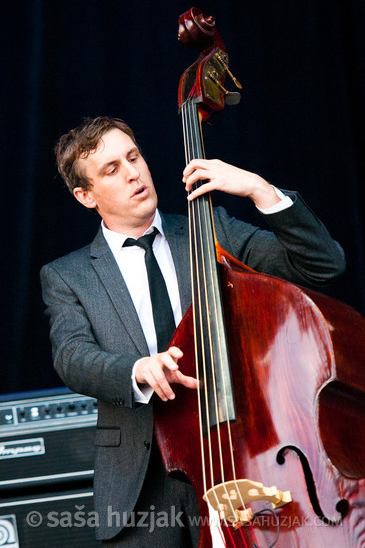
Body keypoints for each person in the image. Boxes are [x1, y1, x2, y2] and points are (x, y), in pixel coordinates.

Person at [40, 116, 345, 547]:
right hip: (140, 486)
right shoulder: (67, 276)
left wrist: (261, 189)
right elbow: (72, 356)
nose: (132, 172)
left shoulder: (212, 230)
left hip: (241, 457)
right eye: (111, 169)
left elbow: (323, 265)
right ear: (85, 195)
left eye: (133, 156)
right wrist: (138, 369)